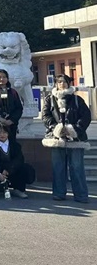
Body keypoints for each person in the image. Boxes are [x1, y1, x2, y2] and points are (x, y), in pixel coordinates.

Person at [41, 74, 91, 203]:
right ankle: (59, 193)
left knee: (77, 167)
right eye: (59, 82)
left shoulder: (77, 99)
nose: (62, 84)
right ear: (56, 84)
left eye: (64, 82)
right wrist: (56, 128)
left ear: (69, 83)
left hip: (75, 139)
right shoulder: (50, 99)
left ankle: (81, 195)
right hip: (56, 138)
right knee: (58, 167)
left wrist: (73, 129)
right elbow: (45, 116)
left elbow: (86, 116)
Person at [0, 122, 35, 199]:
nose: (2, 135)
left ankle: (19, 189)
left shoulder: (15, 145)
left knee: (24, 168)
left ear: (8, 133)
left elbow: (19, 160)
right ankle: (0, 189)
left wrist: (8, 170)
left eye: (4, 132)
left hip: (12, 170)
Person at [0, 69, 23, 140]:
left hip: (11, 124)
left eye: (4, 77)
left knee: (11, 144)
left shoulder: (13, 92)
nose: (1, 79)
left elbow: (19, 108)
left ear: (7, 78)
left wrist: (12, 120)